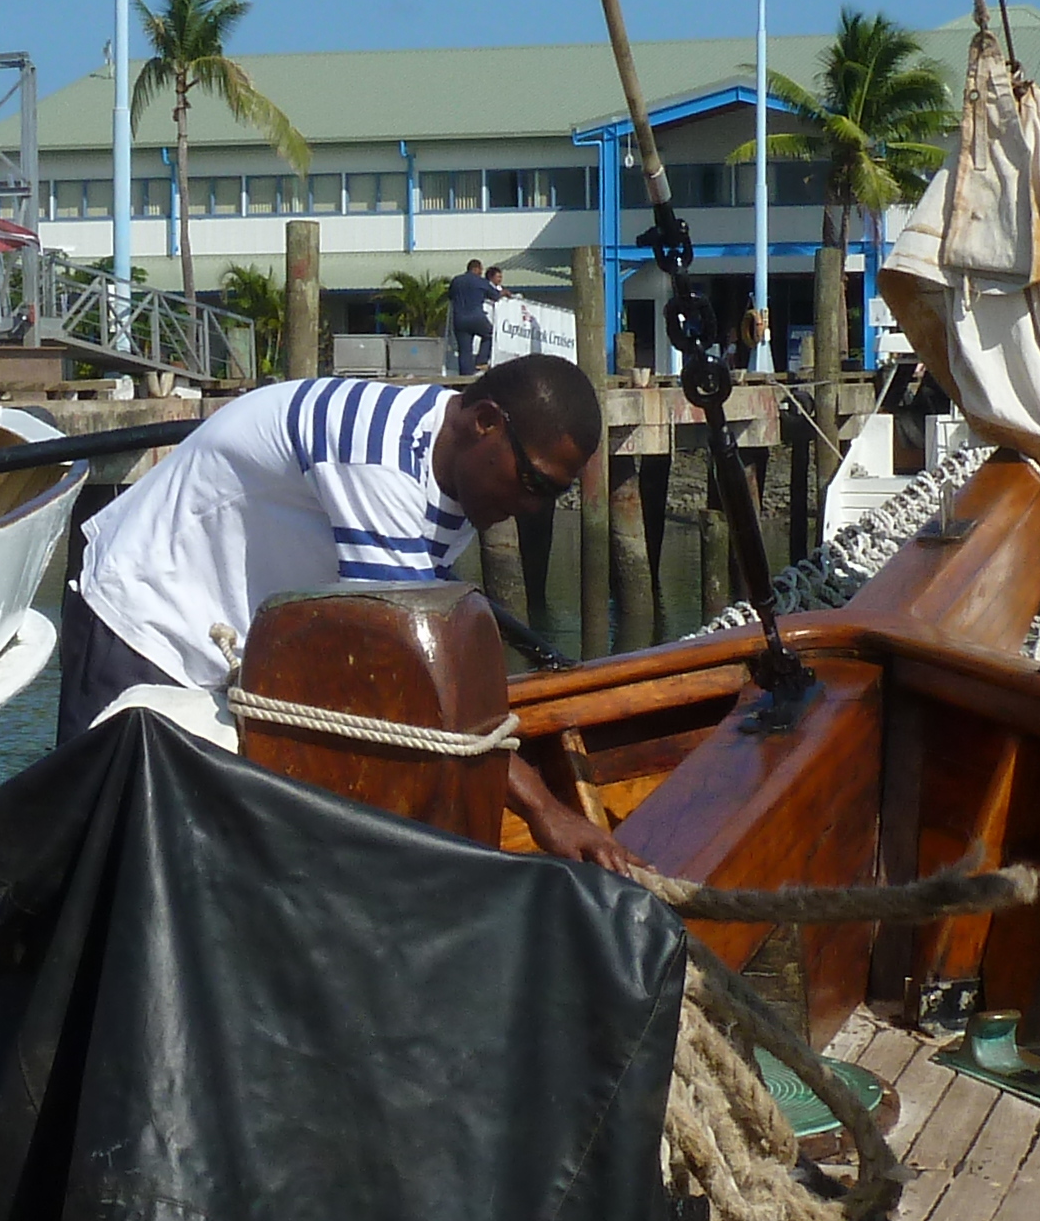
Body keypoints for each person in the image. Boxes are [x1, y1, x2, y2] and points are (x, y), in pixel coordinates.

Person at [58, 353, 622, 864]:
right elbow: (415, 692)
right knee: (101, 847)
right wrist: (546, 811)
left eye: (551, 495)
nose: (531, 508)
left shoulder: (449, 461)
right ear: (486, 422)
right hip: (144, 618)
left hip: (230, 643)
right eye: (532, 483)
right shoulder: (377, 462)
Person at [447, 260, 498, 376]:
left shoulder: (456, 280)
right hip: (476, 318)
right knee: (490, 334)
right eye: (481, 270)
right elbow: (495, 296)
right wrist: (504, 293)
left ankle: (465, 378)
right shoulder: (481, 282)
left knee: (464, 351)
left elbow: (450, 296)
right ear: (477, 269)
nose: (481, 272)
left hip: (459, 319)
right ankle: (481, 361)